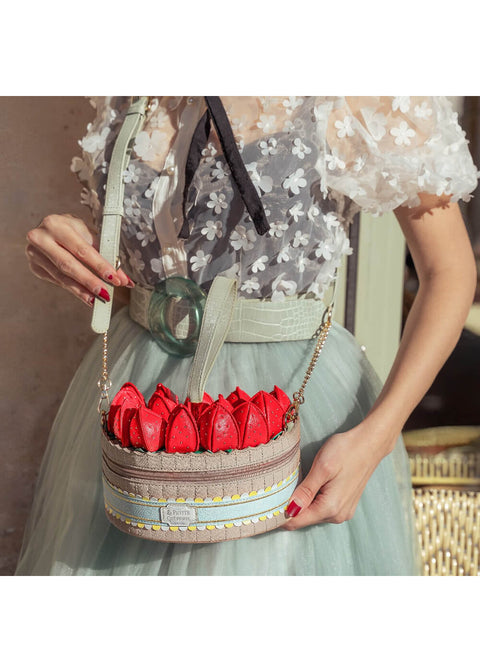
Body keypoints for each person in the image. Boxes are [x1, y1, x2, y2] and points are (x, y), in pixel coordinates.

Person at [17, 96, 478, 575]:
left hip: (283, 415)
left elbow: (448, 271)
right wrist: (74, 249)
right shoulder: (129, 92)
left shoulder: (356, 92)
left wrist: (375, 440)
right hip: (140, 405)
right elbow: (141, 265)